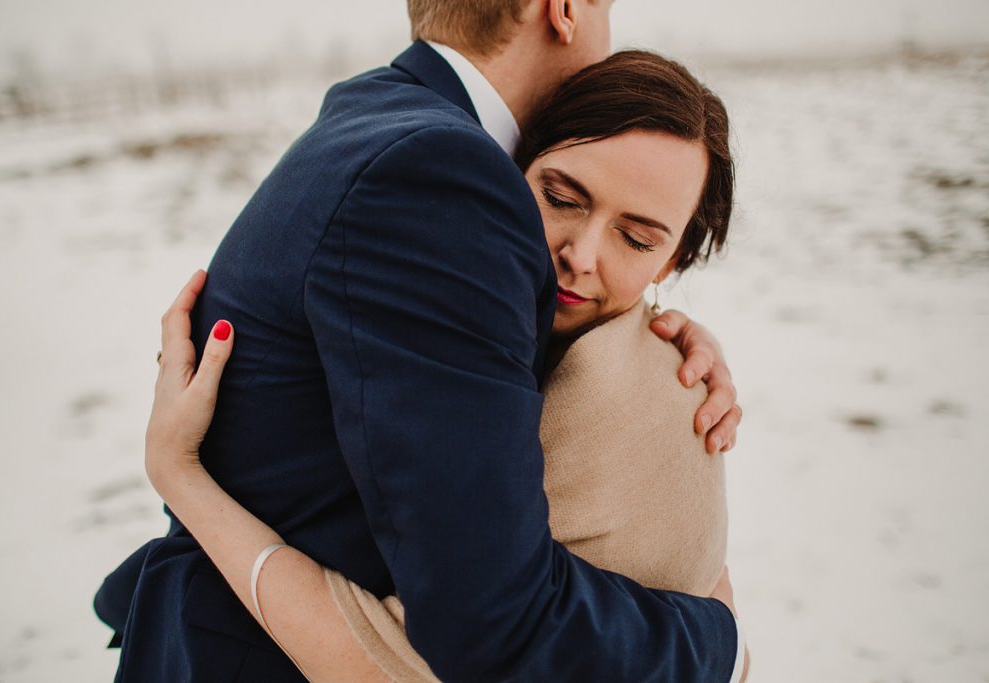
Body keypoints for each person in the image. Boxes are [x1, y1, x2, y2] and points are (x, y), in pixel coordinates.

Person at [94, 2, 745, 680]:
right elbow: (494, 620)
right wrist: (717, 645)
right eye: (560, 196)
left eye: (639, 238)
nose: (580, 255)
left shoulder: (379, 116)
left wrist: (648, 343)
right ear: (567, 9)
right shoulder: (439, 175)